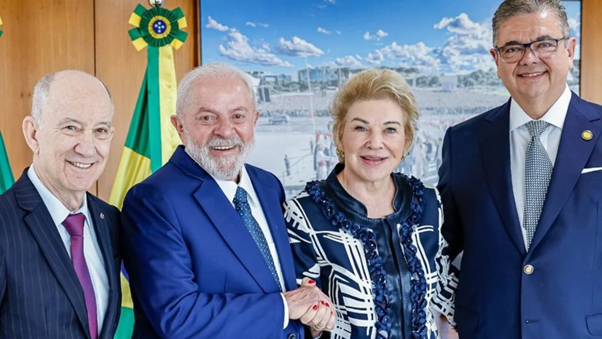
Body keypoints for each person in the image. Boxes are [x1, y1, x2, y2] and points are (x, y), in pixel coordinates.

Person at [121, 63, 335, 338]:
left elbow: (275, 285)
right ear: (179, 126)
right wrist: (284, 307)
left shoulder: (268, 186)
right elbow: (178, 317)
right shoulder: (152, 201)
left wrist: (310, 318)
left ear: (254, 121)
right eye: (208, 118)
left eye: (238, 116)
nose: (225, 130)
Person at [437, 0, 602, 337]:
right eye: (513, 48)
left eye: (544, 43)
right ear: (496, 60)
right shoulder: (463, 141)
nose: (529, 58)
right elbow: (439, 246)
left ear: (570, 50)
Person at [284, 68, 453, 339]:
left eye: (390, 130)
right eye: (361, 128)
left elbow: (447, 292)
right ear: (340, 135)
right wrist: (314, 319)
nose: (375, 143)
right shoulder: (305, 214)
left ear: (406, 139)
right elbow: (297, 321)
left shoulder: (430, 204)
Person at [0, 70, 121, 339]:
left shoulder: (111, 220)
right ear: (33, 134)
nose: (88, 148)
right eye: (71, 128)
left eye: (100, 130)